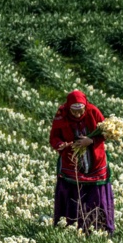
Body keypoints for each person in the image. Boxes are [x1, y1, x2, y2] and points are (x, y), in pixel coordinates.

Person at [49, 90, 114, 234]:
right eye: (74, 111)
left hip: (94, 161)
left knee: (95, 194)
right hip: (71, 161)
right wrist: (60, 144)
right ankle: (71, 225)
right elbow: (54, 136)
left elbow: (106, 132)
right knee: (73, 192)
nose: (78, 114)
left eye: (80, 111)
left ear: (85, 106)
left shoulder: (93, 112)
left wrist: (90, 140)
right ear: (68, 108)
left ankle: (98, 227)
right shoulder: (61, 115)